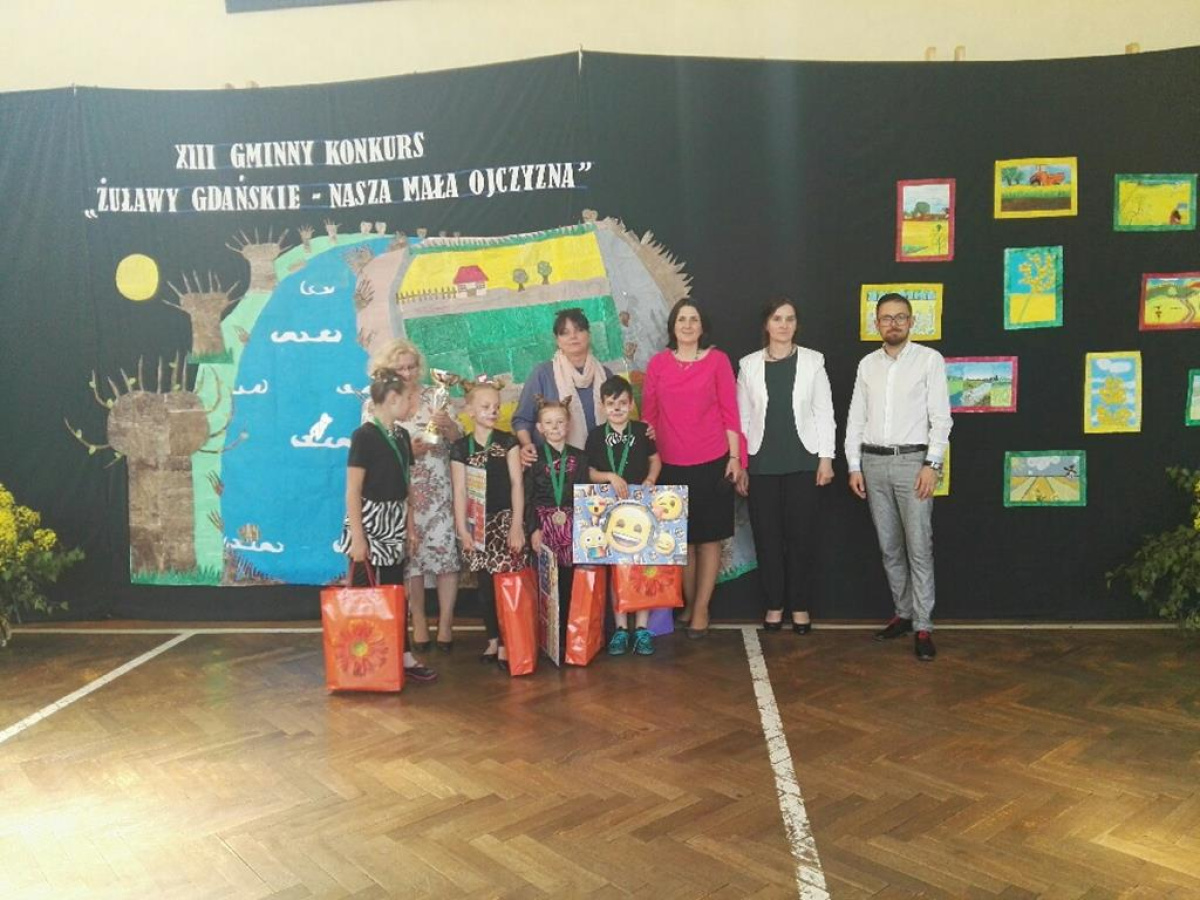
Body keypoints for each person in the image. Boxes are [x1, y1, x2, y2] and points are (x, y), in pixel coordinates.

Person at [845, 293, 953, 662]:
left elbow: (941, 418)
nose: (893, 323)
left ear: (911, 322)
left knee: (919, 546)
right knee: (889, 546)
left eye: (900, 317)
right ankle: (903, 614)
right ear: (877, 324)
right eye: (886, 318)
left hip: (913, 463)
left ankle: (923, 625)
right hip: (873, 463)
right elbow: (855, 419)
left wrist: (932, 464)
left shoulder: (929, 360)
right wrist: (854, 465)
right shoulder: (867, 365)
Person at [641, 299, 745, 638]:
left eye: (693, 319)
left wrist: (735, 458)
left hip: (713, 461)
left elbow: (730, 412)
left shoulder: (717, 361)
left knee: (709, 540)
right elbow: (648, 416)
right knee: (681, 543)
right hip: (670, 465)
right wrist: (648, 463)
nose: (687, 325)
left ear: (702, 327)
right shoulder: (658, 364)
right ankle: (687, 603)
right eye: (681, 319)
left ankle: (701, 609)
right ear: (672, 326)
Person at [736, 299, 836, 635]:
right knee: (767, 539)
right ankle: (774, 606)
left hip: (804, 462)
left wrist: (826, 458)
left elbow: (824, 412)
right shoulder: (748, 365)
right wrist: (742, 465)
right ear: (767, 324)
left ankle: (800, 607)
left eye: (789, 319)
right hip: (761, 464)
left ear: (796, 324)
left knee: (801, 539)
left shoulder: (813, 361)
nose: (783, 325)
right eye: (777, 318)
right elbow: (743, 419)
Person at [336, 370, 437, 683]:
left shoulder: (402, 436)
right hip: (368, 522)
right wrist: (358, 538)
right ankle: (360, 658)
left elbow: (406, 486)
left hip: (395, 521)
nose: (412, 405)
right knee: (363, 594)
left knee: (395, 592)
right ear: (392, 399)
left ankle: (401, 654)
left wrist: (410, 527)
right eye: (408, 399)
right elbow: (353, 490)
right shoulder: (363, 436)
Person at [369, 340, 461, 653]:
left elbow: (459, 441)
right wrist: (408, 449)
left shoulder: (437, 395)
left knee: (446, 556)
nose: (408, 373)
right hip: (401, 490)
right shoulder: (377, 402)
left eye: (412, 367)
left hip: (439, 486)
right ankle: (418, 620)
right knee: (411, 561)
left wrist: (449, 428)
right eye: (401, 368)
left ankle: (446, 623)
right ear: (388, 370)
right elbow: (372, 446)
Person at [449, 376, 527, 669]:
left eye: (496, 406)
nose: (492, 411)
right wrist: (463, 529)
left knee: (506, 581)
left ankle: (509, 640)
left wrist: (516, 525)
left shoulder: (508, 442)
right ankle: (493, 639)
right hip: (478, 523)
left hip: (504, 519)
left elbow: (517, 484)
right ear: (470, 411)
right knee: (484, 584)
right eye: (485, 407)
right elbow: (459, 491)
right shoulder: (461, 448)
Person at [585, 375, 662, 655]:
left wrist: (651, 479)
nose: (616, 408)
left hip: (641, 508)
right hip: (611, 511)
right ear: (602, 406)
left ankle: (641, 628)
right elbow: (589, 472)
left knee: (642, 567)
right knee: (617, 568)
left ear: (631, 404)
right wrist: (609, 476)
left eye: (622, 403)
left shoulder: (642, 431)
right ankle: (620, 628)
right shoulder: (595, 436)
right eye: (610, 403)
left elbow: (655, 460)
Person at [524, 396, 589, 651]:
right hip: (544, 525)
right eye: (549, 423)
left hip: (572, 525)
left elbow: (584, 494)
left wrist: (583, 528)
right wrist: (533, 529)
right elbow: (528, 497)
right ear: (540, 428)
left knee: (570, 580)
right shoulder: (534, 458)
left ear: (568, 424)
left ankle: (567, 638)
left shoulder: (580, 457)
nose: (555, 427)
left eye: (560, 422)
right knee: (546, 582)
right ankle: (546, 639)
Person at [513, 307, 613, 465]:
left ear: (588, 334)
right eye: (565, 332)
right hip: (554, 465)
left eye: (579, 330)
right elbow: (522, 419)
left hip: (602, 460)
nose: (573, 336)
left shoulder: (605, 375)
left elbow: (619, 416)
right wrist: (526, 445)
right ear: (557, 340)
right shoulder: (543, 373)